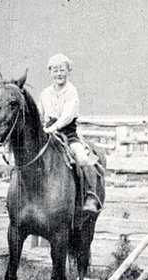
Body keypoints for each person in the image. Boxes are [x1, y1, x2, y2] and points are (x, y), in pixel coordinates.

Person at [38, 53, 101, 214]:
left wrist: (52, 129)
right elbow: (40, 113)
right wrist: (42, 129)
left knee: (82, 157)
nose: (59, 74)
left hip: (67, 134)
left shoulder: (71, 91)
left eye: (62, 70)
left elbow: (67, 116)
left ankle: (89, 196)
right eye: (55, 70)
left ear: (68, 71)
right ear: (50, 72)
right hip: (47, 133)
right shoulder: (45, 93)